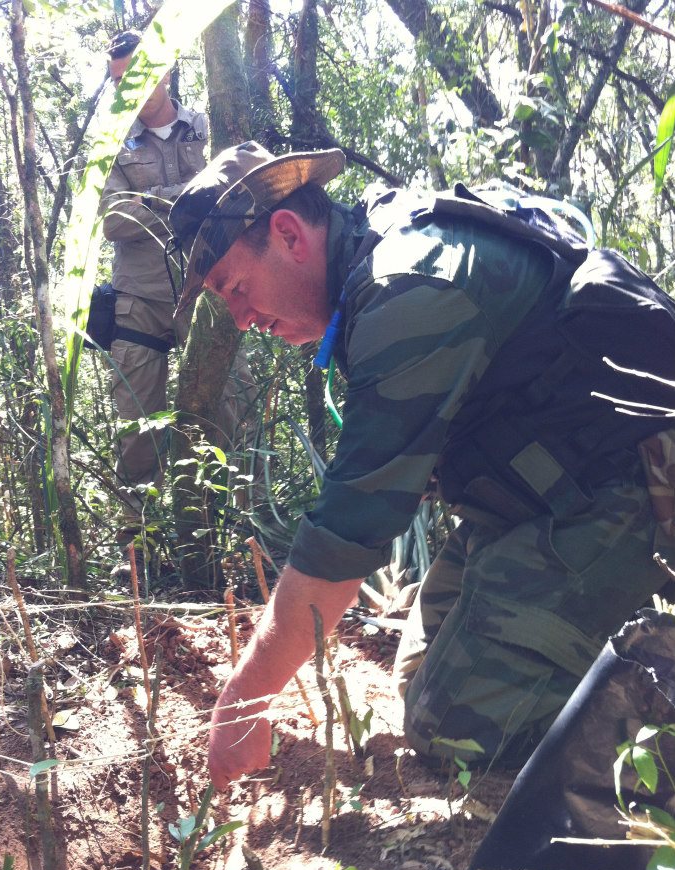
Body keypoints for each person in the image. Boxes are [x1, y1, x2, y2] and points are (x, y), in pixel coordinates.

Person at [166, 141, 675, 790]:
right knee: (417, 686)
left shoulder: (407, 286)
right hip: (533, 505)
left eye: (235, 289)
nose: (240, 319)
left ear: (288, 234)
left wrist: (245, 700)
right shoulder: (374, 262)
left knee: (458, 727)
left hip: (632, 497)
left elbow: (348, 534)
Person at [99, 32, 256, 575]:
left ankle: (237, 536)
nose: (131, 90)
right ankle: (137, 550)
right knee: (134, 421)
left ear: (164, 70)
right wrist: (191, 195)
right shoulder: (111, 144)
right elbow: (114, 219)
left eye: (139, 75)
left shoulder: (209, 124)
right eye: (120, 81)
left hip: (210, 288)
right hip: (138, 300)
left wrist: (153, 201)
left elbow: (239, 188)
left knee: (228, 405)